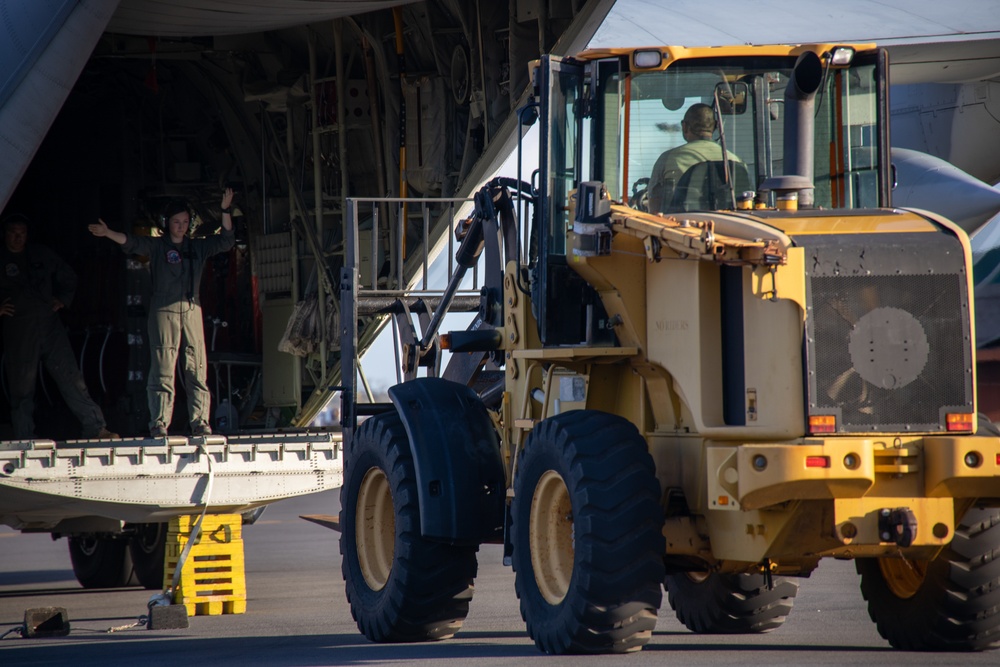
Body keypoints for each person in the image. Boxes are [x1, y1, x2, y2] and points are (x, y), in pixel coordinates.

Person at [88, 189, 235, 437]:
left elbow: (226, 240)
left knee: (197, 367)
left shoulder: (197, 248)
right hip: (164, 310)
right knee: (163, 367)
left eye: (185, 222)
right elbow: (133, 242)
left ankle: (200, 422)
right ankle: (158, 423)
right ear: (168, 223)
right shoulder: (157, 246)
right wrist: (108, 233)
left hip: (192, 308)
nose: (181, 226)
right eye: (176, 222)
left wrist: (225, 210)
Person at [0, 214, 117, 440]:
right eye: (13, 232)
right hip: (19, 329)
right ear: (5, 234)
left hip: (50, 326)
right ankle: (25, 437)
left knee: (71, 378)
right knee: (22, 388)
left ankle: (96, 428)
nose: (18, 237)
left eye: (22, 233)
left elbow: (68, 276)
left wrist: (62, 298)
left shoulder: (41, 254)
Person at [647, 103, 743, 214]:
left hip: (679, 227)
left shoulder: (667, 159)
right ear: (716, 126)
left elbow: (654, 205)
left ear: (684, 126)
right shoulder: (735, 160)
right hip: (727, 227)